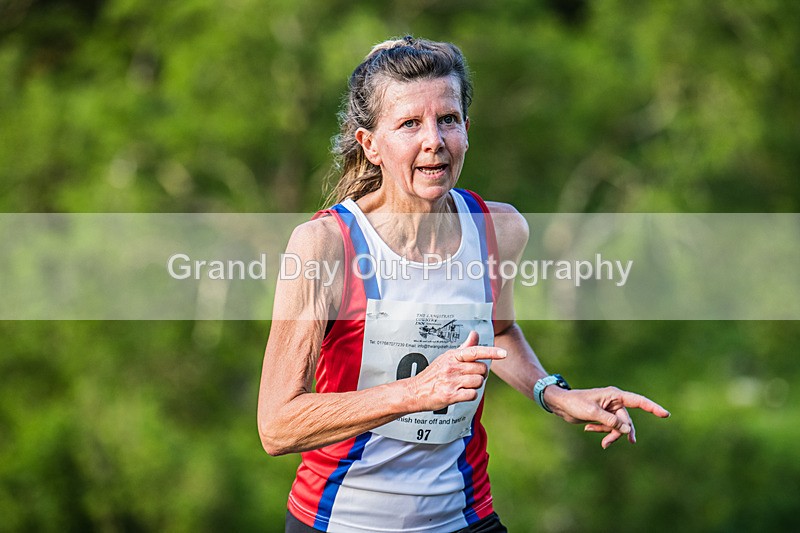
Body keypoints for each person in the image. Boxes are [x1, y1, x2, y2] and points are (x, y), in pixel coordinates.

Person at [257, 36, 670, 533]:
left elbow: (499, 333)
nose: (433, 139)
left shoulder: (500, 229)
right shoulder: (325, 245)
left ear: (467, 131)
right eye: (409, 123)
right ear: (371, 145)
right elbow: (277, 424)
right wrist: (414, 392)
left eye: (447, 119)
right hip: (342, 521)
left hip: (465, 518)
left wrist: (554, 394)